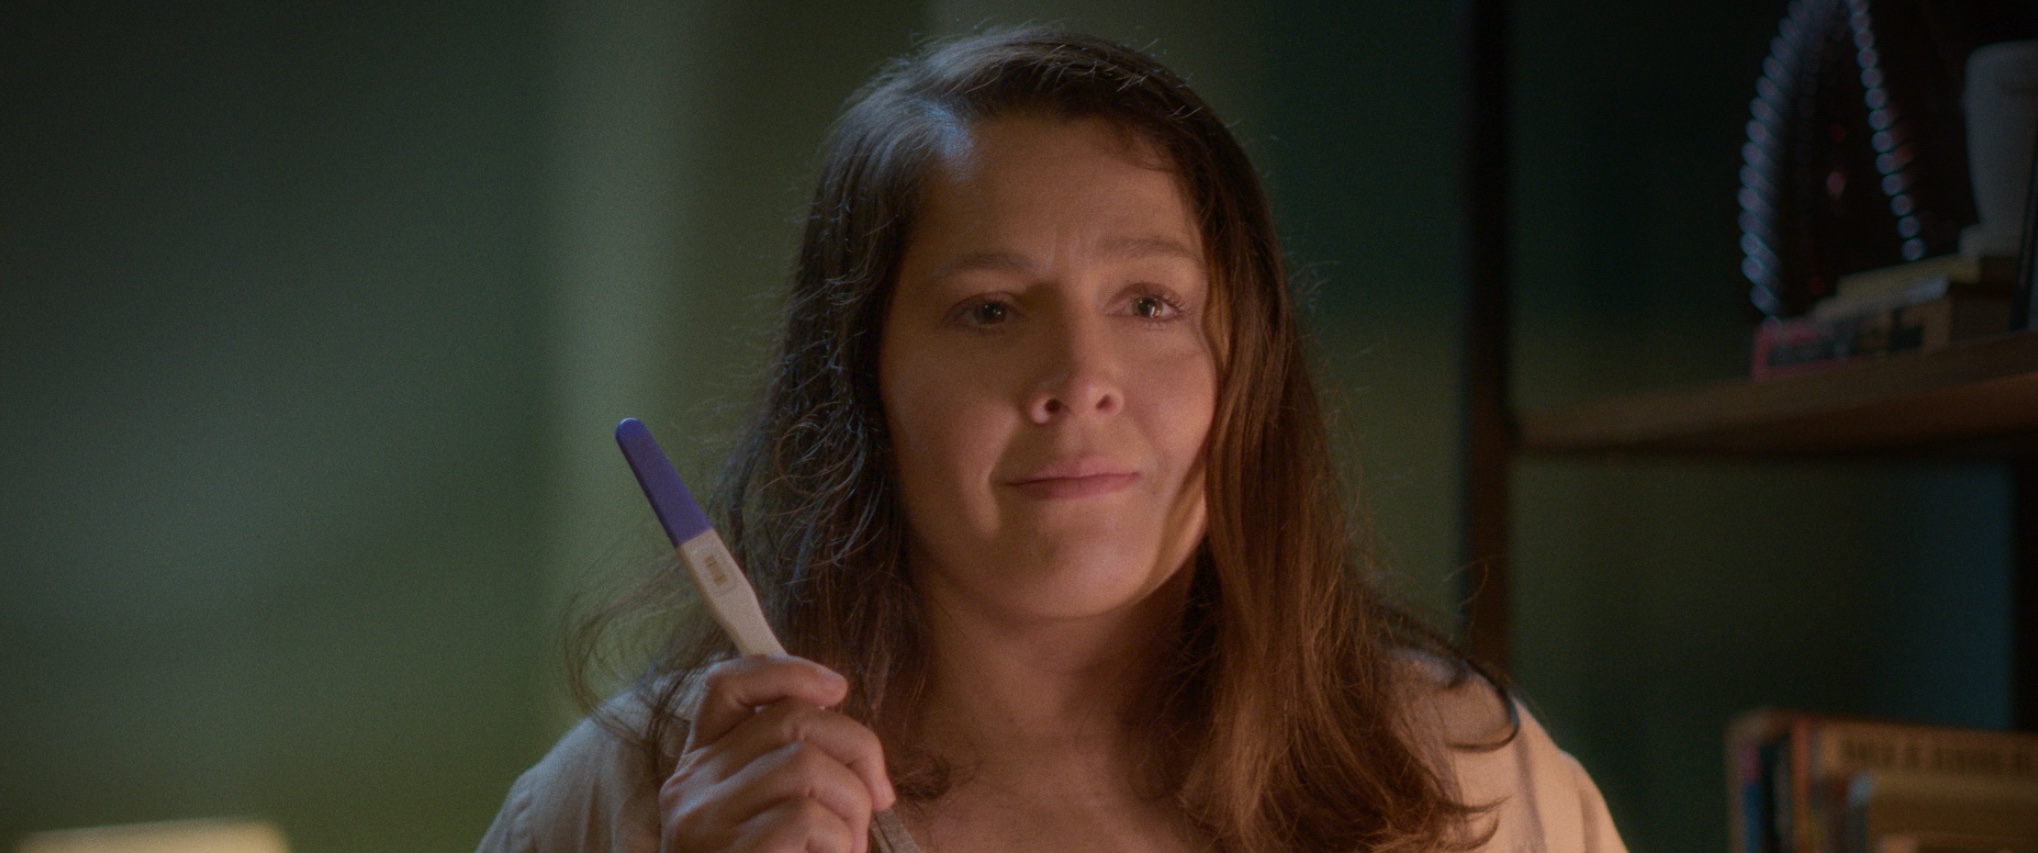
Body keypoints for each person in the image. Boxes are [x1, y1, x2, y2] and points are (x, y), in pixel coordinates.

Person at [479, 28, 1625, 853]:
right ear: (860, 380)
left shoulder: (1475, 784)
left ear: (1247, 366)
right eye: (989, 311)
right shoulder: (622, 801)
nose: (1079, 381)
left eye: (1149, 303)